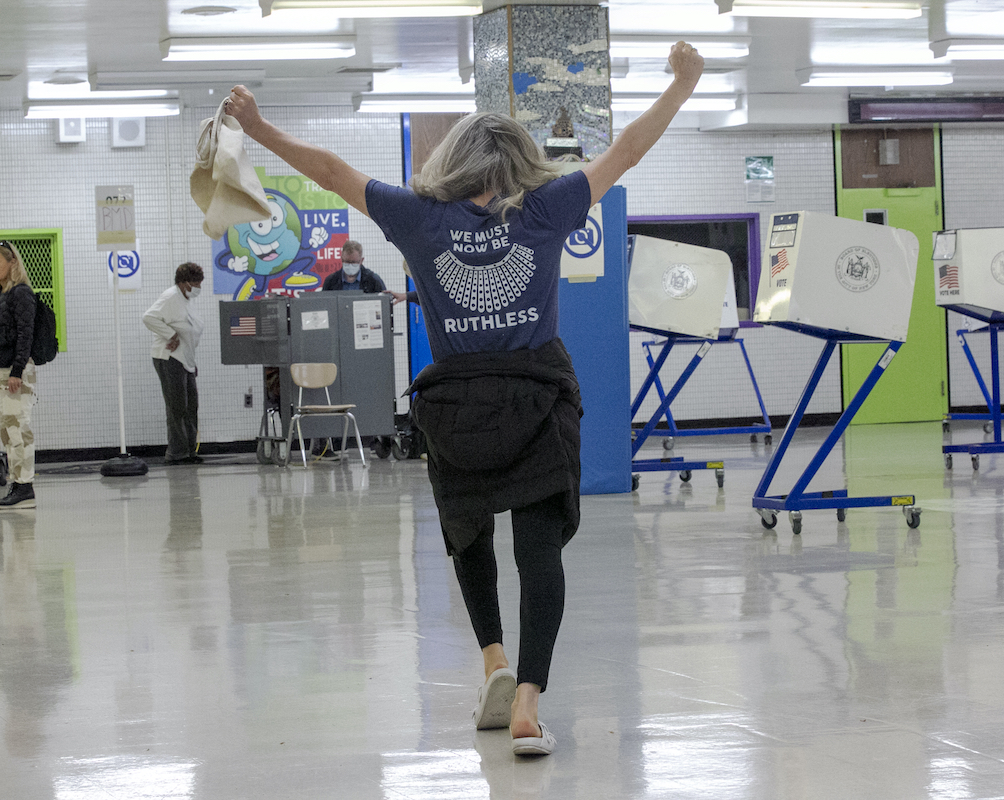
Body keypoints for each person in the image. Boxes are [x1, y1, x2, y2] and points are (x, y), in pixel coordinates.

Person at [226, 41, 704, 756]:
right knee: (540, 550)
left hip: (456, 400)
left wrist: (259, 131)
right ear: (519, 160)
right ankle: (528, 706)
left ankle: (493, 664)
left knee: (468, 533)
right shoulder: (549, 208)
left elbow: (328, 171)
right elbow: (629, 150)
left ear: (452, 161)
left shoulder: (416, 217)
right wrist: (682, 85)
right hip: (539, 394)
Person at [0, 241, 38, 509]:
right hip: (1, 374)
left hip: (16, 373)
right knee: (7, 432)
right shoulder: (2, 293)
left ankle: (25, 487)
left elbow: (25, 336)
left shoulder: (21, 293)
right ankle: (17, 483)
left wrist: (16, 372)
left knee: (18, 430)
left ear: (12, 263)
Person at [142, 263, 206, 465]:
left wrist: (191, 361)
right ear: (184, 282)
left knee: (191, 406)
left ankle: (189, 450)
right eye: (195, 283)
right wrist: (170, 335)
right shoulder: (170, 296)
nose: (198, 287)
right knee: (177, 407)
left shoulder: (186, 300)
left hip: (185, 360)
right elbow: (149, 317)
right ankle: (176, 453)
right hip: (169, 358)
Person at [320, 240, 388, 293]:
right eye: (347, 261)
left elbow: (385, 305)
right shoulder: (331, 282)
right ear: (341, 259)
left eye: (353, 262)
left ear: (361, 260)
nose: (350, 265)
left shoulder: (373, 281)